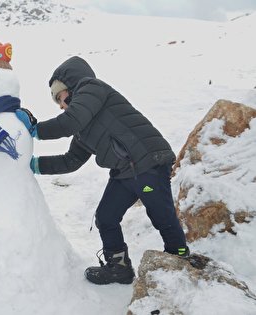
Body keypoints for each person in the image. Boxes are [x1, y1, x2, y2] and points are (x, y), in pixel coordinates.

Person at [16, 56, 189, 285]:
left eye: (60, 97)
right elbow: (72, 160)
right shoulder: (83, 126)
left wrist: (35, 130)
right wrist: (34, 164)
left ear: (71, 87)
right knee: (106, 217)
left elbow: (70, 121)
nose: (60, 104)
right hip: (125, 172)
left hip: (148, 162)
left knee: (160, 213)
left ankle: (179, 258)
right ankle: (118, 268)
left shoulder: (91, 88)